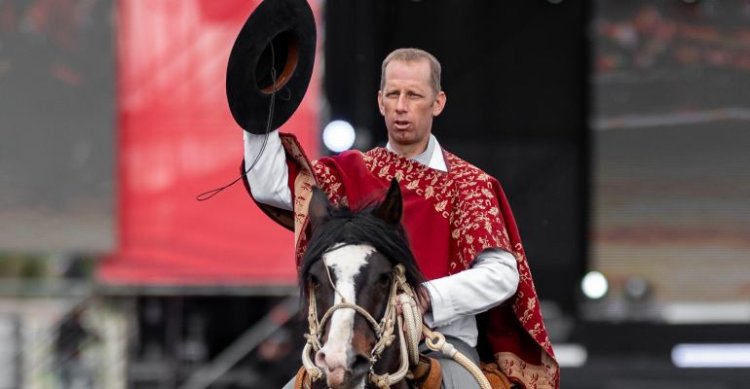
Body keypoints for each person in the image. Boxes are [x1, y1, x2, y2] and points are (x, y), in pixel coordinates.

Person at [241, 48, 558, 388]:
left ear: (437, 103)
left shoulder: (469, 185)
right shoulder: (349, 172)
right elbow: (270, 186)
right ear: (380, 101)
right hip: (349, 342)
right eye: (393, 94)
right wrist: (261, 108)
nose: (401, 106)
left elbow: (502, 275)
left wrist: (424, 298)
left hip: (441, 347)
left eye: (414, 95)